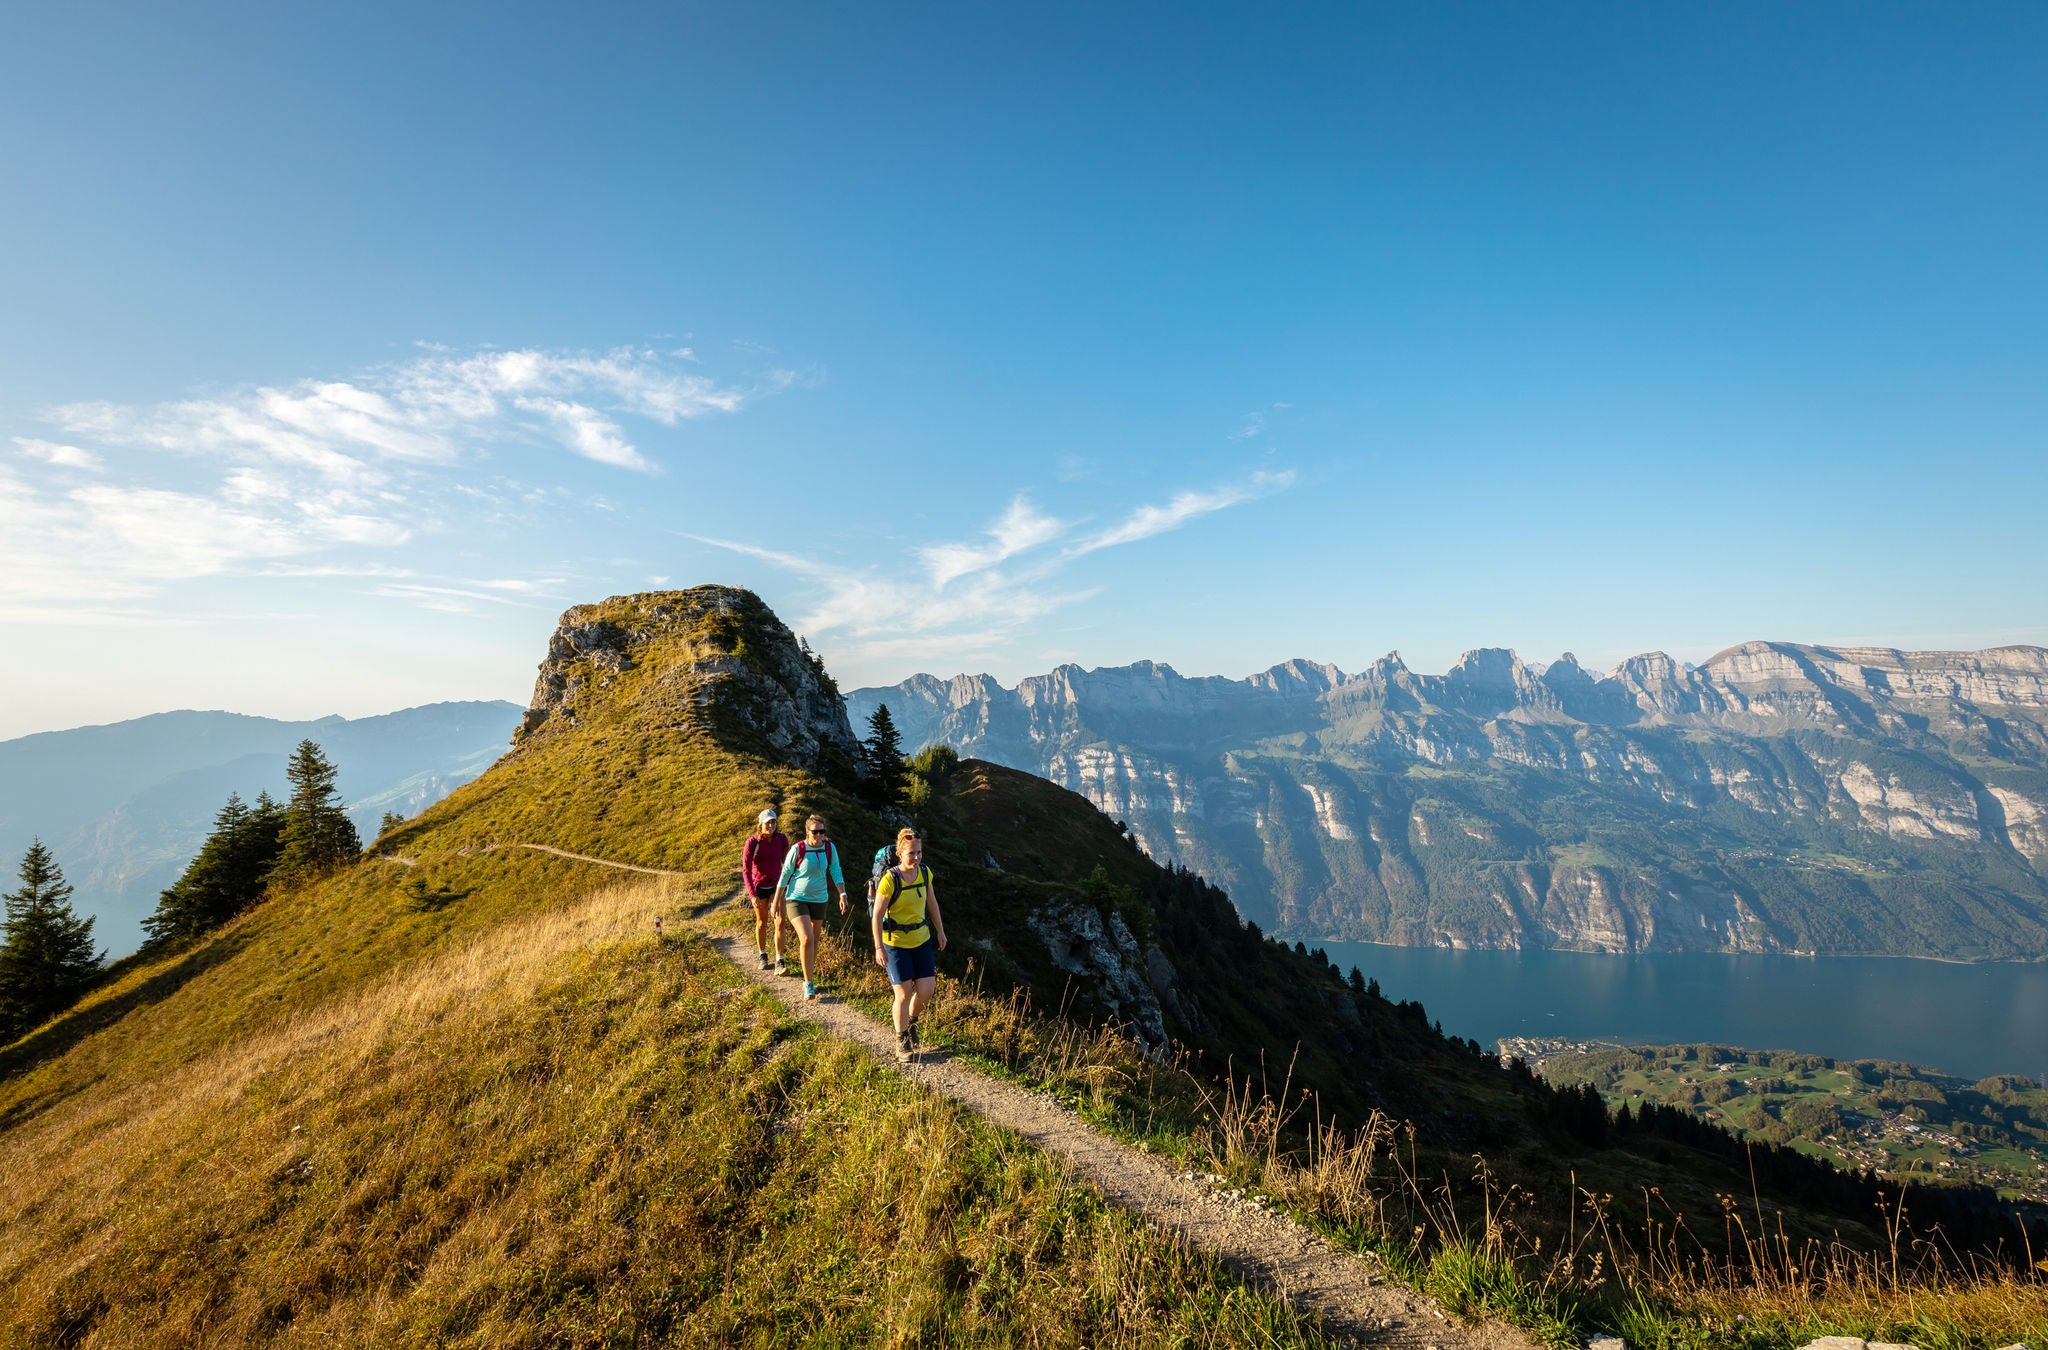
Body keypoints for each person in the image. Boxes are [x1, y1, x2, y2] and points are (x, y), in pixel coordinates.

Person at [871, 826, 945, 1062]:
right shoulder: (890, 880)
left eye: (919, 852)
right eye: (911, 853)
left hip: (921, 939)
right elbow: (876, 915)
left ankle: (911, 1023)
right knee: (902, 994)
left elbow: (931, 902)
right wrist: (878, 947)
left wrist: (940, 931)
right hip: (895, 943)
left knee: (926, 990)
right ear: (900, 854)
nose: (916, 857)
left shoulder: (925, 873)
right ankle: (901, 1038)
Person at [773, 814, 847, 1001]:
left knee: (815, 940)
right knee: (807, 938)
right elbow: (785, 875)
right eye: (815, 832)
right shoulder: (798, 849)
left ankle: (810, 975)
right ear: (807, 831)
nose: (819, 835)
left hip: (820, 899)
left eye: (822, 831)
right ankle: (808, 984)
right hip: (796, 899)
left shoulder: (829, 848)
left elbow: (836, 870)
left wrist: (842, 894)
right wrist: (776, 901)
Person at [741, 809, 791, 971]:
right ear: (760, 825)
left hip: (777, 886)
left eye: (773, 822)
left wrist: (790, 882)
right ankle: (762, 955)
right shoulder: (752, 843)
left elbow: (787, 864)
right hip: (759, 887)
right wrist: (752, 894)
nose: (771, 825)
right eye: (767, 823)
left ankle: (780, 960)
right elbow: (746, 870)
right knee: (762, 923)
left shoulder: (782, 839)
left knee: (781, 922)